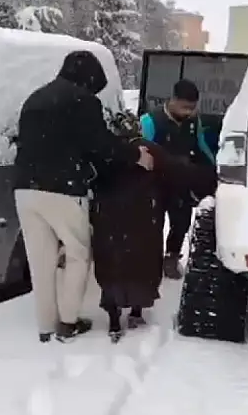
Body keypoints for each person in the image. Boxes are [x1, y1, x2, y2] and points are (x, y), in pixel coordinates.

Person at [13, 50, 154, 343]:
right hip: (63, 189)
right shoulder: (81, 100)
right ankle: (67, 322)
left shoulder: (35, 99)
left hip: (25, 189)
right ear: (90, 78)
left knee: (40, 261)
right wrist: (136, 156)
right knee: (78, 254)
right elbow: (101, 145)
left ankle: (45, 326)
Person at [91, 110, 217, 342]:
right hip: (144, 217)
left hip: (108, 218)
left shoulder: (104, 153)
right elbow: (179, 172)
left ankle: (113, 318)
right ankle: (136, 311)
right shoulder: (151, 150)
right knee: (142, 262)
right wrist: (211, 181)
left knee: (112, 264)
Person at [139, 79, 215, 280]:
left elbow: (201, 147)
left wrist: (212, 168)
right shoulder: (150, 121)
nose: (188, 112)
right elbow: (141, 152)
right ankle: (148, 260)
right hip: (154, 183)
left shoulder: (193, 122)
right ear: (172, 100)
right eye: (184, 107)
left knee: (181, 222)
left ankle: (171, 258)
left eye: (192, 108)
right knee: (152, 224)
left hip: (181, 182)